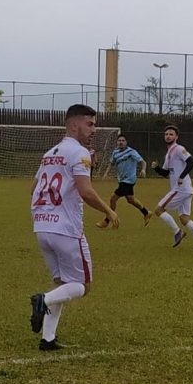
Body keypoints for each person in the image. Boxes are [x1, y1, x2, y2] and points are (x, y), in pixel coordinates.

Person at [29, 104, 119, 351]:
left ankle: (48, 339)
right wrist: (109, 210)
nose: (94, 129)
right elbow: (86, 191)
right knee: (82, 286)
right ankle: (43, 301)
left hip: (42, 226)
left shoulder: (49, 154)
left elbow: (34, 188)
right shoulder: (79, 153)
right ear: (73, 125)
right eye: (89, 124)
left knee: (63, 285)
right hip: (66, 229)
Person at [150, 125, 193, 250]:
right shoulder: (169, 154)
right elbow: (167, 173)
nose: (168, 136)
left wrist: (182, 176)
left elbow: (191, 161)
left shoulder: (178, 149)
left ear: (176, 137)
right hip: (184, 190)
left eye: (171, 134)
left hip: (180, 189)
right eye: (166, 134)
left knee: (158, 209)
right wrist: (156, 168)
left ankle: (178, 232)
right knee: (184, 218)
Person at [96, 135, 152, 228]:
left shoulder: (131, 152)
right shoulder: (115, 152)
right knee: (130, 199)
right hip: (122, 180)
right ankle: (146, 213)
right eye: (119, 140)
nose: (121, 142)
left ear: (126, 142)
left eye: (123, 140)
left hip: (129, 180)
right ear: (117, 142)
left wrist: (143, 170)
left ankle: (107, 221)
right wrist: (106, 173)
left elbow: (143, 162)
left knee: (113, 199)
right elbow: (111, 163)